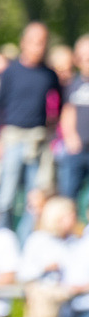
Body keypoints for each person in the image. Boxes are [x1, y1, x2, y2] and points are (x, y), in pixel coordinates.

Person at [0, 22, 62, 226]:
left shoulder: (49, 75)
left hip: (38, 140)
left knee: (35, 198)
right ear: (24, 43)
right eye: (34, 41)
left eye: (42, 42)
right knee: (6, 194)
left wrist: (52, 129)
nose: (38, 47)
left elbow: (60, 103)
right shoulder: (11, 71)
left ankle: (27, 242)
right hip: (13, 137)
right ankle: (3, 238)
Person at [58, 34, 89, 204]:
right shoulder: (73, 85)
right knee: (69, 196)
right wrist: (70, 137)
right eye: (84, 57)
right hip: (77, 150)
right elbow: (67, 112)